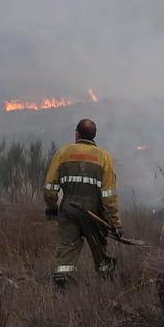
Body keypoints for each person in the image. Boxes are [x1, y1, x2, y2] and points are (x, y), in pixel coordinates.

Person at [43, 118, 121, 287]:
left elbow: (49, 188)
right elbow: (109, 197)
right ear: (94, 136)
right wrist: (116, 223)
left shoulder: (62, 153)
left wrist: (52, 207)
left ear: (77, 134)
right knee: (100, 252)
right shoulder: (104, 157)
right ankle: (106, 283)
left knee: (67, 249)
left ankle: (63, 284)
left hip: (69, 209)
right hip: (94, 213)